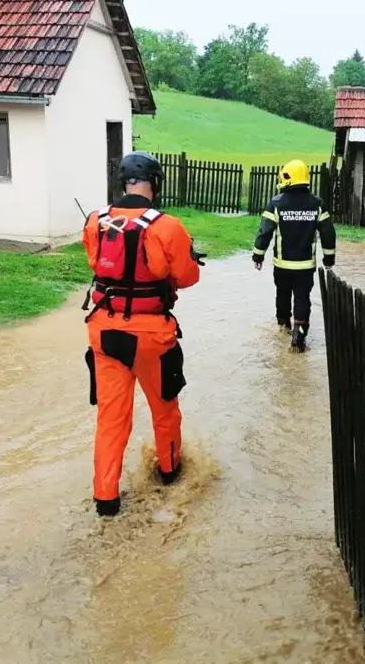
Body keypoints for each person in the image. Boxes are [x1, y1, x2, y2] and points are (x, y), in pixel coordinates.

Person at [82, 151, 207, 517]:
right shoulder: (168, 227)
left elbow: (96, 263)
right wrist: (187, 256)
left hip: (104, 331)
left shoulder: (96, 221)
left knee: (111, 418)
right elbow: (186, 277)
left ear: (123, 181)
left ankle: (106, 498)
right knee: (165, 410)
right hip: (151, 334)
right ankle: (169, 475)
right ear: (155, 181)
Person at [252, 160, 337, 352]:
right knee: (302, 297)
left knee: (282, 294)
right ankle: (299, 337)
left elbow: (264, 232)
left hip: (282, 265)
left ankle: (283, 327)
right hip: (305, 266)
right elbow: (328, 233)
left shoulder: (276, 203)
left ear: (287, 178)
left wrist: (258, 255)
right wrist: (329, 257)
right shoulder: (317, 204)